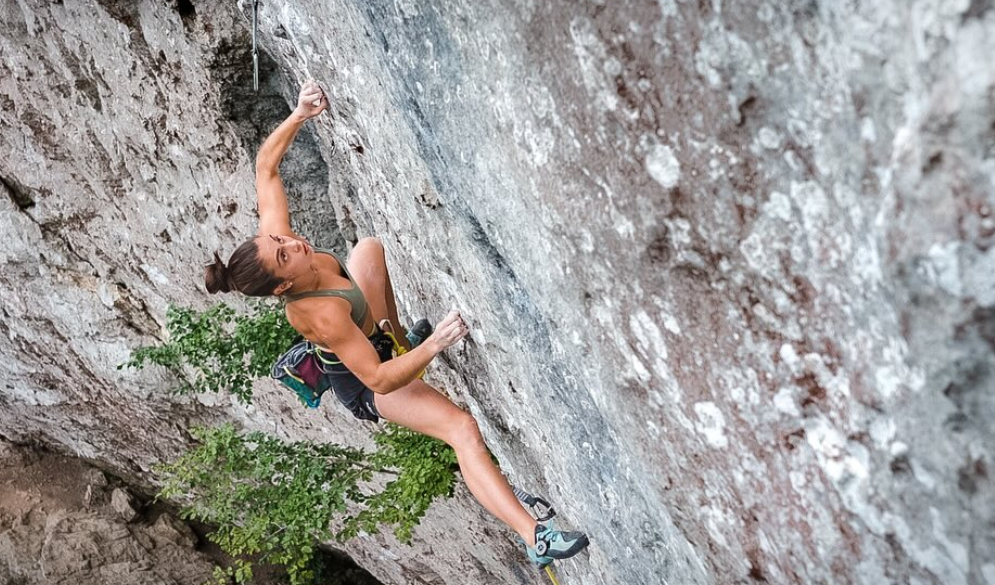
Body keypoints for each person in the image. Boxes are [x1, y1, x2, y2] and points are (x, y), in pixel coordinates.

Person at [204, 80, 588, 567]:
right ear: (282, 286)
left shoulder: (275, 244)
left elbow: (266, 167)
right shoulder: (319, 312)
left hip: (373, 339)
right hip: (367, 385)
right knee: (462, 428)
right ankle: (535, 536)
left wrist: (300, 114)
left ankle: (403, 340)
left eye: (281, 238)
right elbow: (379, 378)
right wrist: (437, 344)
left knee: (368, 250)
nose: (295, 243)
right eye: (284, 253)